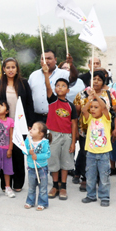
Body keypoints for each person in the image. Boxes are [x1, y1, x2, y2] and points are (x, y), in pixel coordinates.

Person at [73, 71, 116, 191]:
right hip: (86, 130)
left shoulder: (108, 94)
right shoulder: (81, 94)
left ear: (103, 82)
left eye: (99, 79)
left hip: (103, 130)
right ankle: (85, 178)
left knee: (102, 155)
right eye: (94, 79)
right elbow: (78, 112)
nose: (96, 81)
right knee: (86, 154)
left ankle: (100, 178)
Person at [0, 57, 34, 192]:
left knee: (17, 153)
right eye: (8, 67)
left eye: (13, 67)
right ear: (3, 69)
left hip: (20, 124)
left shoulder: (23, 83)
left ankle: (18, 183)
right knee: (4, 153)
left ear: (17, 69)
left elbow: (29, 104)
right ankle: (5, 184)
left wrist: (29, 123)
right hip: (3, 125)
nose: (11, 70)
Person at [43, 64, 77, 201]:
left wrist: (73, 142)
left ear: (68, 90)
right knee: (53, 161)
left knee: (65, 162)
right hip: (53, 135)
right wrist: (46, 74)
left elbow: (74, 124)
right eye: (58, 86)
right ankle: (55, 185)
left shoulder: (71, 106)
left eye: (63, 86)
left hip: (67, 136)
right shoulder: (52, 101)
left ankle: (63, 187)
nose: (60, 88)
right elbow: (48, 87)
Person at [80, 90, 112, 207]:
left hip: (103, 154)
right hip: (91, 153)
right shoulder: (90, 119)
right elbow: (84, 110)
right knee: (90, 176)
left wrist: (97, 96)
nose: (92, 109)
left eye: (95, 107)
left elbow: (104, 107)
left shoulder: (106, 118)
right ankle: (91, 195)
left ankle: (104, 197)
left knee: (104, 177)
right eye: (92, 107)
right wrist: (89, 100)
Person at [28, 50, 69, 124]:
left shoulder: (65, 74)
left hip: (57, 117)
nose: (45, 61)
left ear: (55, 60)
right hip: (37, 118)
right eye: (43, 59)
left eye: (49, 58)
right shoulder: (33, 75)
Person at [23, 122, 51, 211]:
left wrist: (37, 157)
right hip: (31, 167)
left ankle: (42, 203)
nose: (31, 130)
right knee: (31, 186)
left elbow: (47, 154)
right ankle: (30, 201)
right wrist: (28, 151)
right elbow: (23, 150)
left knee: (43, 187)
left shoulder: (44, 142)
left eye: (34, 129)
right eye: (32, 128)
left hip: (42, 168)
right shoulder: (28, 140)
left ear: (41, 134)